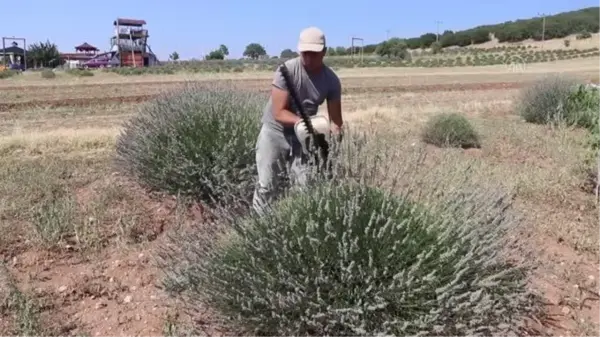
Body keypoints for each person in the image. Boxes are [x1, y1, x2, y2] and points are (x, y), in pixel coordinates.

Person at [252, 26, 344, 215]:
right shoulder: (286, 71)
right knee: (267, 185)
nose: (308, 58)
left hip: (305, 136)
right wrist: (306, 124)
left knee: (305, 187)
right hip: (275, 132)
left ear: (324, 52)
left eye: (314, 53)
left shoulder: (331, 80)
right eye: (305, 53)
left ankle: (298, 229)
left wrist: (332, 144)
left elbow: (336, 122)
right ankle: (259, 230)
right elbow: (278, 112)